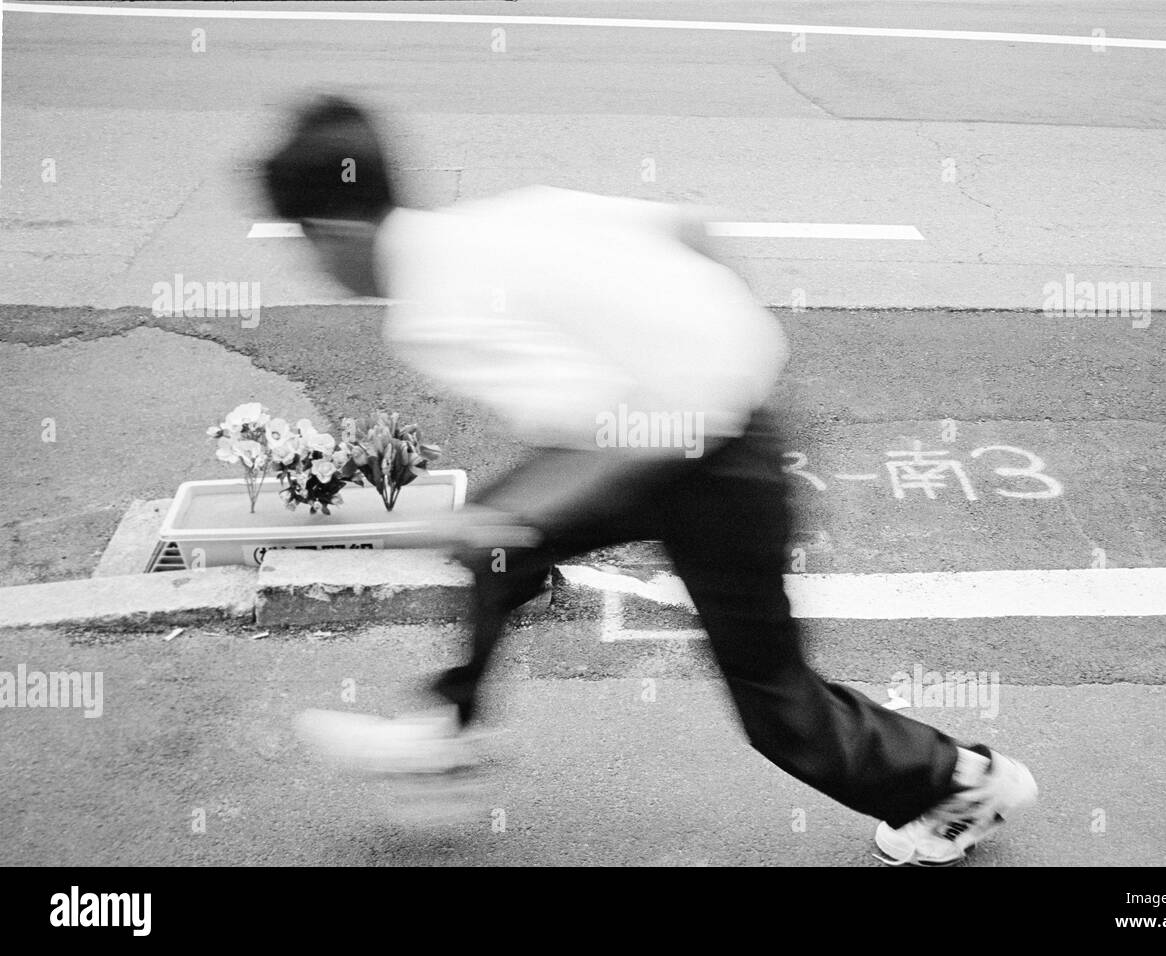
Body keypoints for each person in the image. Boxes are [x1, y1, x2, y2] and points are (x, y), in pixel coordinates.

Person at [265, 95, 1037, 865]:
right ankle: (444, 734)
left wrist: (513, 511)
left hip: (708, 461)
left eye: (302, 245)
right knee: (500, 542)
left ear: (332, 229)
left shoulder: (432, 311)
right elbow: (690, 230)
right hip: (703, 432)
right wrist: (715, 350)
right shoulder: (505, 219)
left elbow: (624, 436)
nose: (312, 269)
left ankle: (961, 783)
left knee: (772, 699)